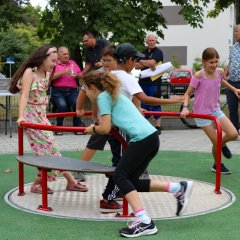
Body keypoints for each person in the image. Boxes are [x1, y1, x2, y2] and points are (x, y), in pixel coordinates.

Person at [82, 71, 193, 238]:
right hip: (151, 137)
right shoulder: (113, 94)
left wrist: (93, 129)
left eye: (84, 89)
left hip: (142, 139)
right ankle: (179, 188)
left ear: (91, 87)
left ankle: (144, 221)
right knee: (132, 181)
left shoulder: (103, 97)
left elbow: (104, 128)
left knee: (120, 175)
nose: (84, 93)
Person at [79, 43, 185, 213]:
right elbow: (139, 99)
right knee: (127, 175)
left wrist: (93, 125)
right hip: (142, 134)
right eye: (135, 60)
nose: (136, 64)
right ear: (128, 60)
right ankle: (176, 189)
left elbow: (106, 121)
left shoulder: (107, 80)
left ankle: (126, 206)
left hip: (131, 132)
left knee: (121, 171)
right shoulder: (118, 80)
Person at [9, 44, 88, 193]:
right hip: (31, 116)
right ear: (42, 58)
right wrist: (20, 117)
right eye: (52, 61)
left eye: (55, 61)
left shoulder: (47, 73)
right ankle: (70, 181)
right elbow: (25, 95)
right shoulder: (29, 73)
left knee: (49, 151)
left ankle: (38, 184)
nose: (54, 64)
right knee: (50, 150)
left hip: (41, 115)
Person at [180, 47, 240, 174]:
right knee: (216, 142)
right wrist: (185, 108)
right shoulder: (199, 75)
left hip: (215, 110)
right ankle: (217, 164)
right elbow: (187, 93)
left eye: (216, 61)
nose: (214, 65)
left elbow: (221, 80)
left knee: (234, 134)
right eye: (211, 62)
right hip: (202, 114)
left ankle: (222, 145)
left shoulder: (220, 71)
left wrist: (234, 89)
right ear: (204, 62)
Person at [75, 45, 121, 181]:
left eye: (109, 60)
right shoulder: (98, 74)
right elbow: (84, 90)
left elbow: (134, 94)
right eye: (104, 60)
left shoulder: (121, 74)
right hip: (104, 117)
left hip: (120, 117)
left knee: (129, 144)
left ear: (116, 60)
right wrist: (79, 108)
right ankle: (79, 169)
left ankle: (139, 170)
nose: (106, 63)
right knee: (96, 140)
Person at [50, 46, 84, 136]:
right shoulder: (54, 64)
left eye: (68, 54)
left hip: (72, 90)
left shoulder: (72, 63)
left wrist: (76, 75)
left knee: (77, 104)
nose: (66, 56)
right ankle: (59, 128)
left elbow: (81, 74)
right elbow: (50, 77)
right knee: (62, 106)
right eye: (64, 54)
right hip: (58, 91)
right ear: (58, 56)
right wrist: (63, 72)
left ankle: (77, 127)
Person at [135, 34, 163, 135]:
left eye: (153, 40)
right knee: (143, 103)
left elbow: (152, 63)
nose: (151, 42)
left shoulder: (158, 52)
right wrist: (147, 63)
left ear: (156, 41)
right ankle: (145, 126)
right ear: (146, 42)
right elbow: (136, 66)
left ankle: (158, 126)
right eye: (149, 40)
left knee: (155, 102)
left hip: (155, 82)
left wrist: (141, 61)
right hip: (143, 81)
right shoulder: (142, 52)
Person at [224, 24, 240, 135]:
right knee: (232, 106)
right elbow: (230, 62)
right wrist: (224, 74)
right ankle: (235, 130)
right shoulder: (234, 46)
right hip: (232, 82)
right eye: (235, 31)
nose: (235, 33)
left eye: (237, 31)